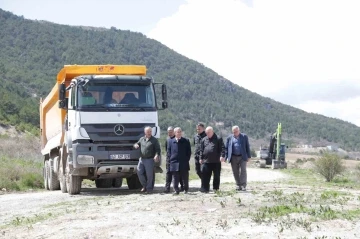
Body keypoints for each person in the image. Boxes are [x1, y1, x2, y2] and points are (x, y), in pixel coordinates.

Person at [134, 126, 161, 194]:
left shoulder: (154, 140)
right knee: (139, 172)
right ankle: (145, 185)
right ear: (145, 132)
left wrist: (156, 155)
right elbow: (137, 143)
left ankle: (149, 189)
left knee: (149, 175)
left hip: (150, 159)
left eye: (150, 131)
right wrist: (136, 145)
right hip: (142, 159)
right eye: (148, 131)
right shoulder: (142, 139)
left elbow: (158, 149)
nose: (149, 133)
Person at [225, 125, 251, 191]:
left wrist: (249, 156)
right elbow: (226, 148)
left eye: (236, 131)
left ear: (239, 130)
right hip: (233, 156)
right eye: (234, 132)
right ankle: (238, 185)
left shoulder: (244, 136)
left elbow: (247, 146)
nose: (235, 133)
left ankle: (243, 185)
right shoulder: (229, 138)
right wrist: (226, 157)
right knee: (235, 171)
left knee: (243, 170)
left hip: (242, 156)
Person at [199, 126, 225, 193]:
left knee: (216, 175)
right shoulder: (204, 139)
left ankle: (215, 189)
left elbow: (222, 148)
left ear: (212, 132)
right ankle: (205, 188)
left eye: (209, 132)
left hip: (216, 161)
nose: (208, 134)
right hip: (206, 161)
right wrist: (200, 158)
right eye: (206, 133)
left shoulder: (218, 139)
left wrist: (222, 156)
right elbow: (201, 150)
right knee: (205, 176)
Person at [167, 127, 191, 194]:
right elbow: (168, 152)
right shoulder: (170, 141)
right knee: (175, 178)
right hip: (174, 162)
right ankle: (176, 190)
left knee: (185, 177)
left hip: (184, 163)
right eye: (178, 132)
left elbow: (189, 152)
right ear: (175, 133)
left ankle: (186, 189)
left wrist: (186, 159)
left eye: (180, 131)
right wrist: (170, 160)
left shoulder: (186, 141)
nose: (179, 133)